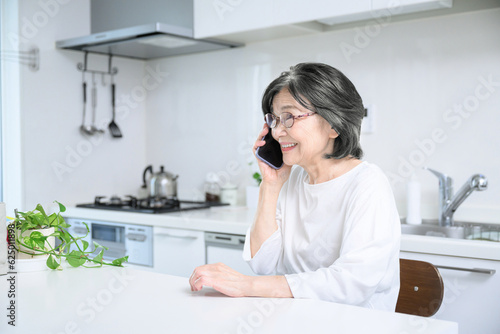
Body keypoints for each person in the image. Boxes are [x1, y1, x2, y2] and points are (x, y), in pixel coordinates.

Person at [189, 62, 401, 311]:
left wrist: (250, 286)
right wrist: (271, 184)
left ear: (333, 124)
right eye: (274, 119)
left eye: (289, 117)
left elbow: (351, 283)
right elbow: (264, 265)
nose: (277, 132)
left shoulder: (367, 184)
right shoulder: (292, 181)